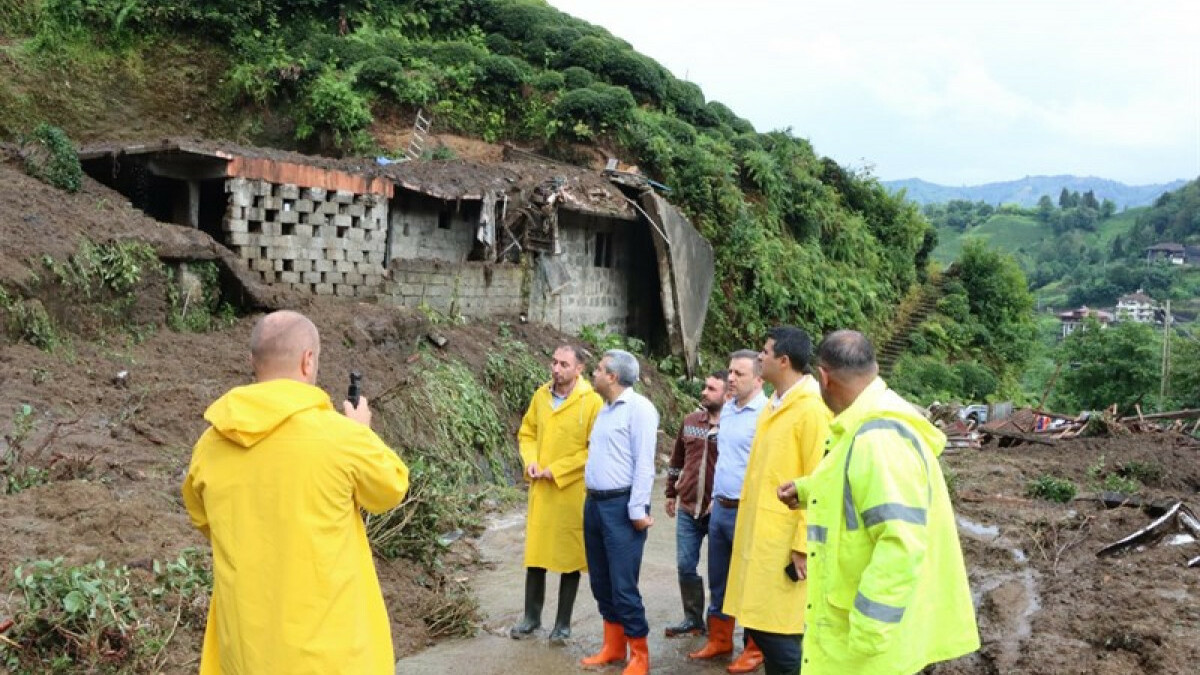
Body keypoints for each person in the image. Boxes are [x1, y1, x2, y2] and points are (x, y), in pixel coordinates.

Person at [181, 310, 410, 675]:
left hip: (245, 652)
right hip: (330, 658)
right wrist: (362, 432)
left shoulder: (209, 445)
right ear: (308, 361)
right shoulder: (341, 437)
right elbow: (390, 489)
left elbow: (204, 519)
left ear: (251, 362)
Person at [777, 331, 980, 674]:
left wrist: (869, 632)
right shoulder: (867, 428)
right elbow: (857, 483)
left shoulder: (879, 438)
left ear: (824, 378)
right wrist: (809, 489)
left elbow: (900, 542)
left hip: (865, 646)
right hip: (860, 635)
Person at [722, 327, 829, 675]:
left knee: (781, 635)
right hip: (761, 531)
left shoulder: (812, 409)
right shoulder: (774, 403)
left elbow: (819, 479)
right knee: (758, 623)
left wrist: (803, 544)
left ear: (784, 361)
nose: (759, 358)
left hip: (786, 543)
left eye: (765, 352)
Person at [511, 345, 603, 644]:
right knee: (536, 554)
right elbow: (527, 433)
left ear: (579, 369)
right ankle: (531, 617)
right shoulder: (541, 395)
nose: (556, 368)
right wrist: (532, 461)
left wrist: (559, 469)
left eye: (564, 364)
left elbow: (593, 449)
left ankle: (562, 623)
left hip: (571, 490)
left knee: (569, 557)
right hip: (541, 487)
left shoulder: (592, 403)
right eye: (554, 362)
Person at [579, 349, 659, 675]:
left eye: (598, 369)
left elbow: (645, 464)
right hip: (595, 504)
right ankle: (613, 647)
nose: (593, 374)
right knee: (600, 580)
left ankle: (639, 654)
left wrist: (637, 508)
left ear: (612, 376)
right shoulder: (606, 409)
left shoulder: (639, 409)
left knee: (623, 584)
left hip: (622, 507)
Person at [689, 350, 769, 675]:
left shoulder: (766, 414)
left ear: (760, 380)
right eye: (731, 373)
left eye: (739, 374)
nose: (731, 379)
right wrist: (715, 497)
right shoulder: (730, 412)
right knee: (719, 578)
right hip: (720, 507)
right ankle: (720, 639)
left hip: (748, 511)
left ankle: (754, 647)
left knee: (749, 583)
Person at [663, 370, 728, 638]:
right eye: (705, 387)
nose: (704, 392)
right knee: (686, 566)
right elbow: (677, 459)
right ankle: (693, 619)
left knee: (719, 572)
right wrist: (670, 492)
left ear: (727, 394)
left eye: (712, 389)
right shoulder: (690, 421)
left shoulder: (734, 425)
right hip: (689, 507)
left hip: (719, 510)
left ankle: (720, 626)